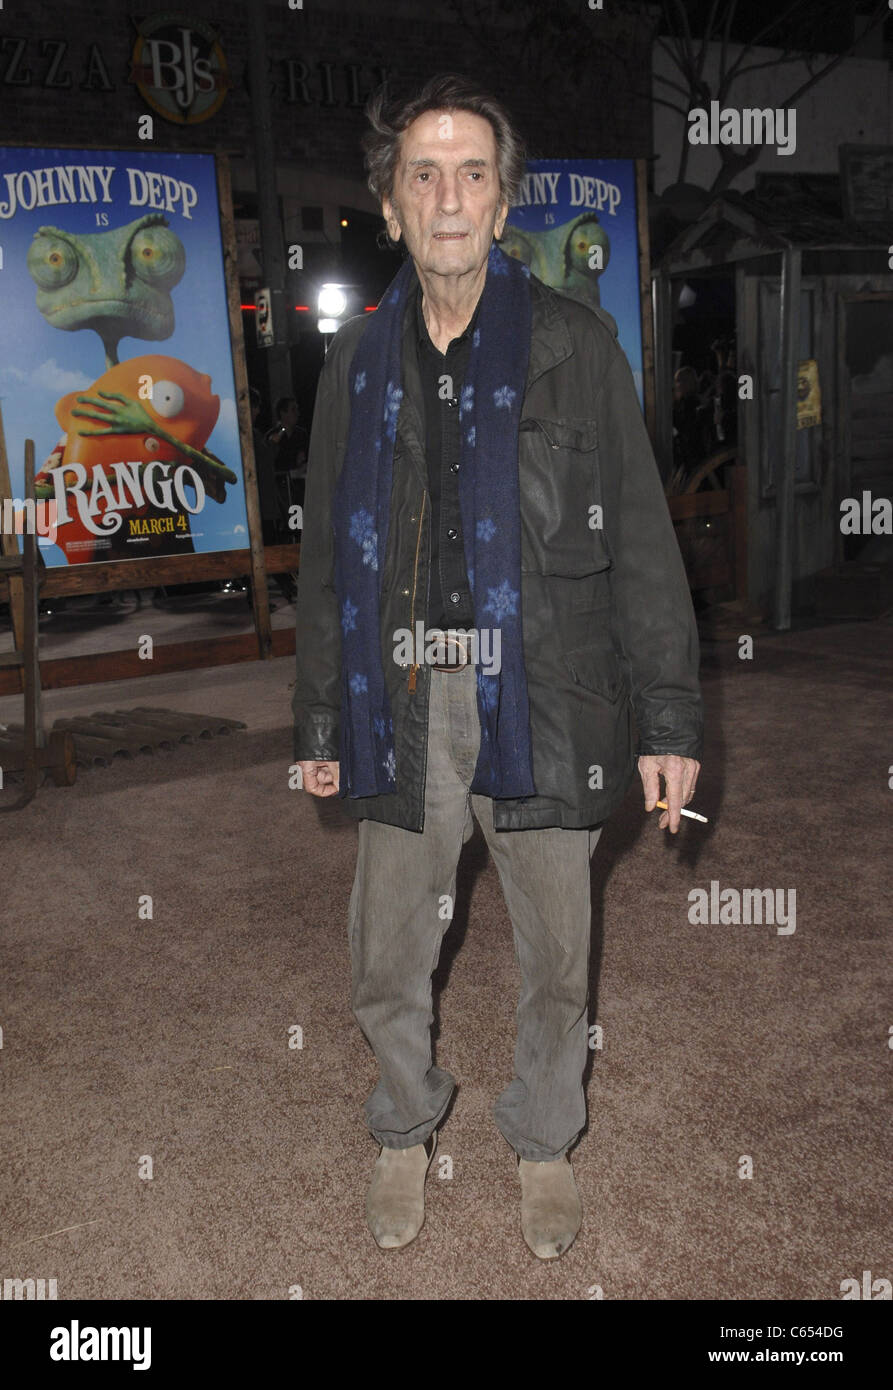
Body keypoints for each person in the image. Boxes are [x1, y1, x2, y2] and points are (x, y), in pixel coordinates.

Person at [293, 73, 703, 1261]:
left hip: (548, 693)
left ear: (504, 199)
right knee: (386, 949)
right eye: (422, 173)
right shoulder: (357, 363)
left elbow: (637, 539)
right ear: (389, 205)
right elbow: (326, 554)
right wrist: (320, 720)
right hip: (402, 696)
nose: (448, 196)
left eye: (471, 172)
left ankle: (540, 1137)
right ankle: (402, 1119)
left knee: (556, 955)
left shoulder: (577, 345)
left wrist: (667, 716)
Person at [266, 395, 308, 529]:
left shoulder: (301, 434)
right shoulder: (273, 436)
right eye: (293, 410)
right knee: (286, 525)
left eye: (297, 409)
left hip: (299, 488)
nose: (297, 413)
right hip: (281, 491)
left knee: (301, 524)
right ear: (283, 413)